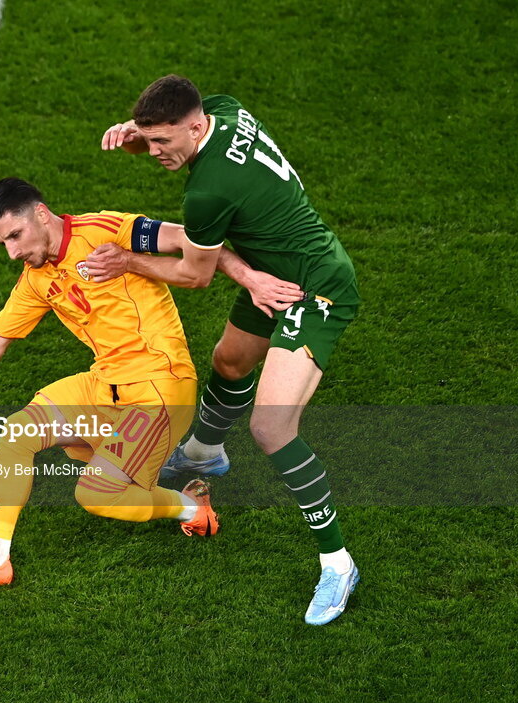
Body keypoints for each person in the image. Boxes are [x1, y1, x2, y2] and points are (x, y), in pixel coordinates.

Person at [0, 177, 301, 594]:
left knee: (98, 495)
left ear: (41, 216)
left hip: (159, 389)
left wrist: (248, 277)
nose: (12, 252)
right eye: (3, 243)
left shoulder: (106, 229)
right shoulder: (36, 278)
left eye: (15, 236)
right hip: (104, 383)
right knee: (18, 435)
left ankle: (190, 506)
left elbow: (193, 241)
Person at [96, 75, 361, 625]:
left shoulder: (207, 191)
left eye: (164, 142)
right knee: (230, 361)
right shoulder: (223, 109)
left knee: (271, 428)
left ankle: (338, 562)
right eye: (151, 140)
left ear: (195, 127)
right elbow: (181, 136)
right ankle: (202, 453)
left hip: (315, 288)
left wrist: (127, 261)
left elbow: (194, 274)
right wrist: (139, 133)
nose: (156, 153)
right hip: (275, 274)